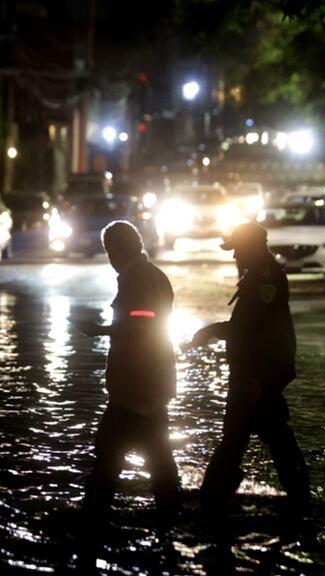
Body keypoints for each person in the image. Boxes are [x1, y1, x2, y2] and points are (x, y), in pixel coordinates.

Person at [187, 222, 310, 508]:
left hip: (255, 376)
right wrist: (212, 332)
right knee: (266, 435)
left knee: (242, 437)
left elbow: (260, 333)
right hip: (256, 374)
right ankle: (298, 496)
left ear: (252, 247)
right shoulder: (259, 275)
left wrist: (256, 379)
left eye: (237, 250)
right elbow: (247, 328)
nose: (234, 257)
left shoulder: (265, 279)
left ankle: (213, 500)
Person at [74, 221, 180, 520]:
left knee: (108, 455)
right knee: (158, 456)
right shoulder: (151, 275)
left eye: (109, 251)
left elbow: (142, 321)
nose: (109, 258)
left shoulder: (138, 279)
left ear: (118, 250)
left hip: (136, 384)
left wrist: (101, 331)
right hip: (152, 382)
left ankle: (92, 520)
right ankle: (170, 517)